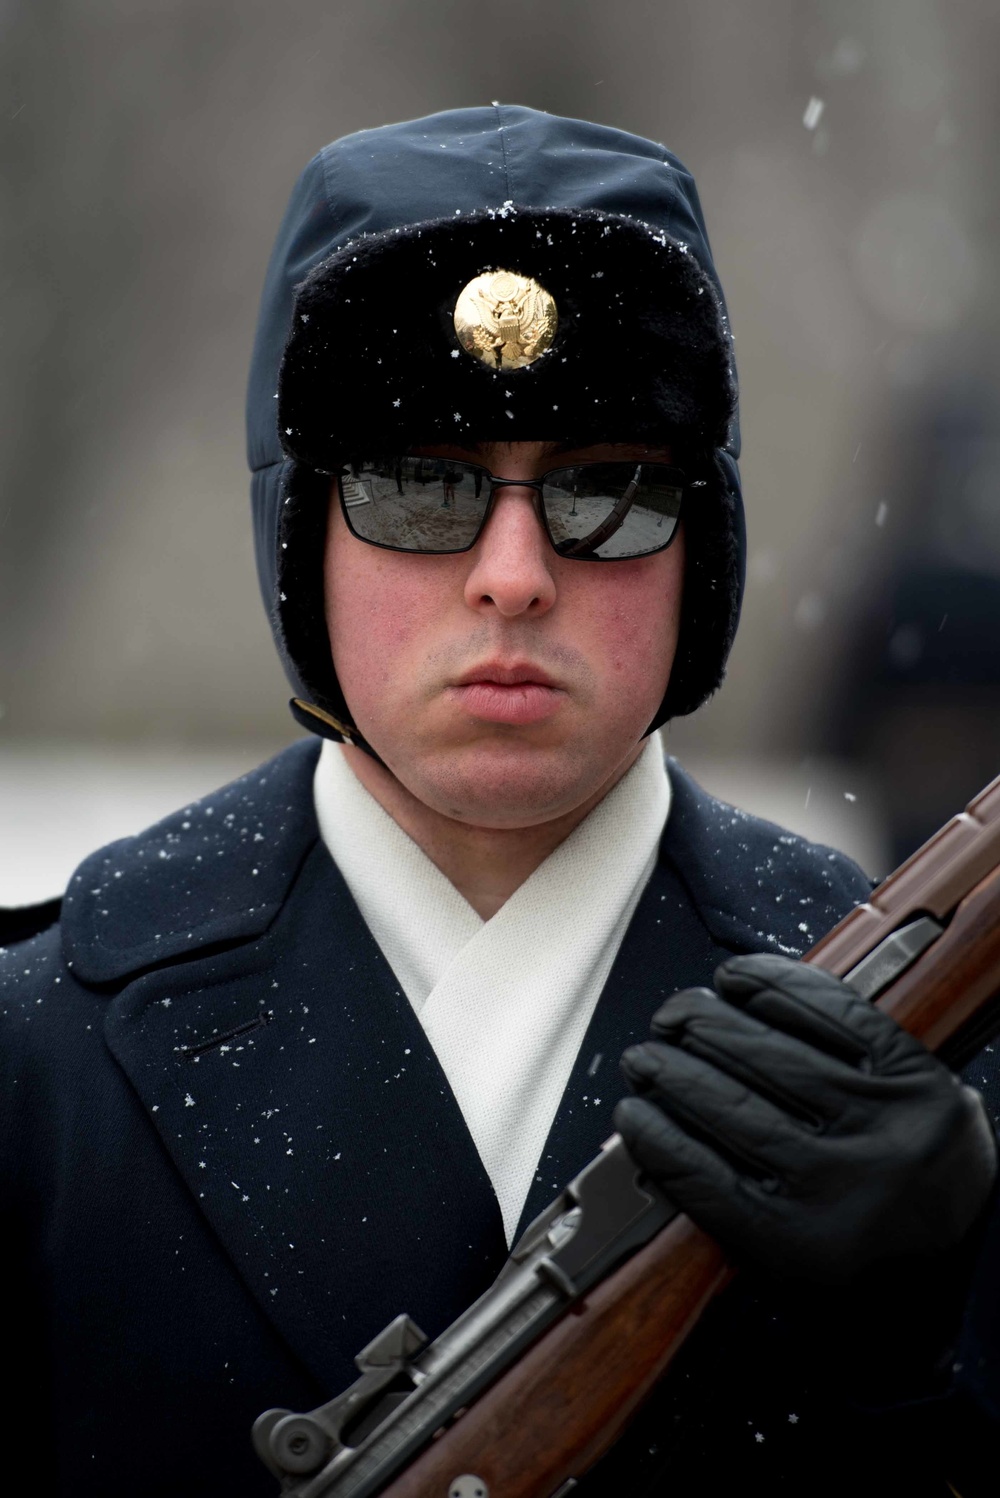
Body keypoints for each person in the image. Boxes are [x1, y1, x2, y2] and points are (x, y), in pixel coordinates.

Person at [2, 105, 999, 1498]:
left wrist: (931, 1355)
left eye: (609, 488)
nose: (516, 573)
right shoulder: (38, 1061)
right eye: (421, 485)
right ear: (303, 531)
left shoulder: (940, 1065)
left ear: (697, 547)